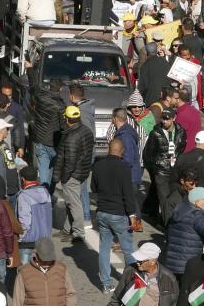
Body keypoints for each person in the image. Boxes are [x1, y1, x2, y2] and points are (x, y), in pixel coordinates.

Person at [92, 138, 138, 292]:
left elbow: (93, 188)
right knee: (128, 250)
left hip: (102, 212)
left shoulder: (98, 166)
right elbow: (128, 194)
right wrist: (132, 215)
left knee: (104, 248)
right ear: (122, 150)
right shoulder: (125, 167)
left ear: (108, 149)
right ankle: (131, 281)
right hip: (119, 214)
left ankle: (106, 284)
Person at [53, 105, 94, 242]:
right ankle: (67, 228)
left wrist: (64, 177)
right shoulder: (86, 130)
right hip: (82, 171)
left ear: (67, 119)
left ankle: (78, 232)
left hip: (73, 174)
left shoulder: (71, 136)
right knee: (71, 202)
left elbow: (69, 162)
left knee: (74, 203)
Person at [143, 108, 186, 223]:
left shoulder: (181, 131)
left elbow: (181, 148)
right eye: (163, 119)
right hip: (161, 171)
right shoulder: (155, 133)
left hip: (175, 171)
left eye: (168, 119)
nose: (165, 122)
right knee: (164, 199)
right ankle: (168, 225)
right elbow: (148, 154)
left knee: (174, 199)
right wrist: (156, 168)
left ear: (173, 118)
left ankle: (173, 221)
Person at [11, 237, 77, 306]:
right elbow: (17, 301)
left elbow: (70, 294)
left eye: (49, 258)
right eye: (44, 259)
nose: (47, 262)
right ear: (36, 255)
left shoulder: (61, 269)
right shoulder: (24, 273)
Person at [107, 243, 179, 306]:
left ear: (152, 261)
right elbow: (117, 296)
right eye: (138, 259)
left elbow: (173, 301)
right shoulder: (131, 270)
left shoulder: (169, 278)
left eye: (141, 260)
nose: (137, 262)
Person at [16, 165, 53, 267]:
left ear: (22, 179)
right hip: (45, 238)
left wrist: (21, 238)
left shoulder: (23, 196)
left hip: (28, 241)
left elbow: (25, 221)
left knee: (26, 272)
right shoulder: (46, 193)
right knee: (43, 270)